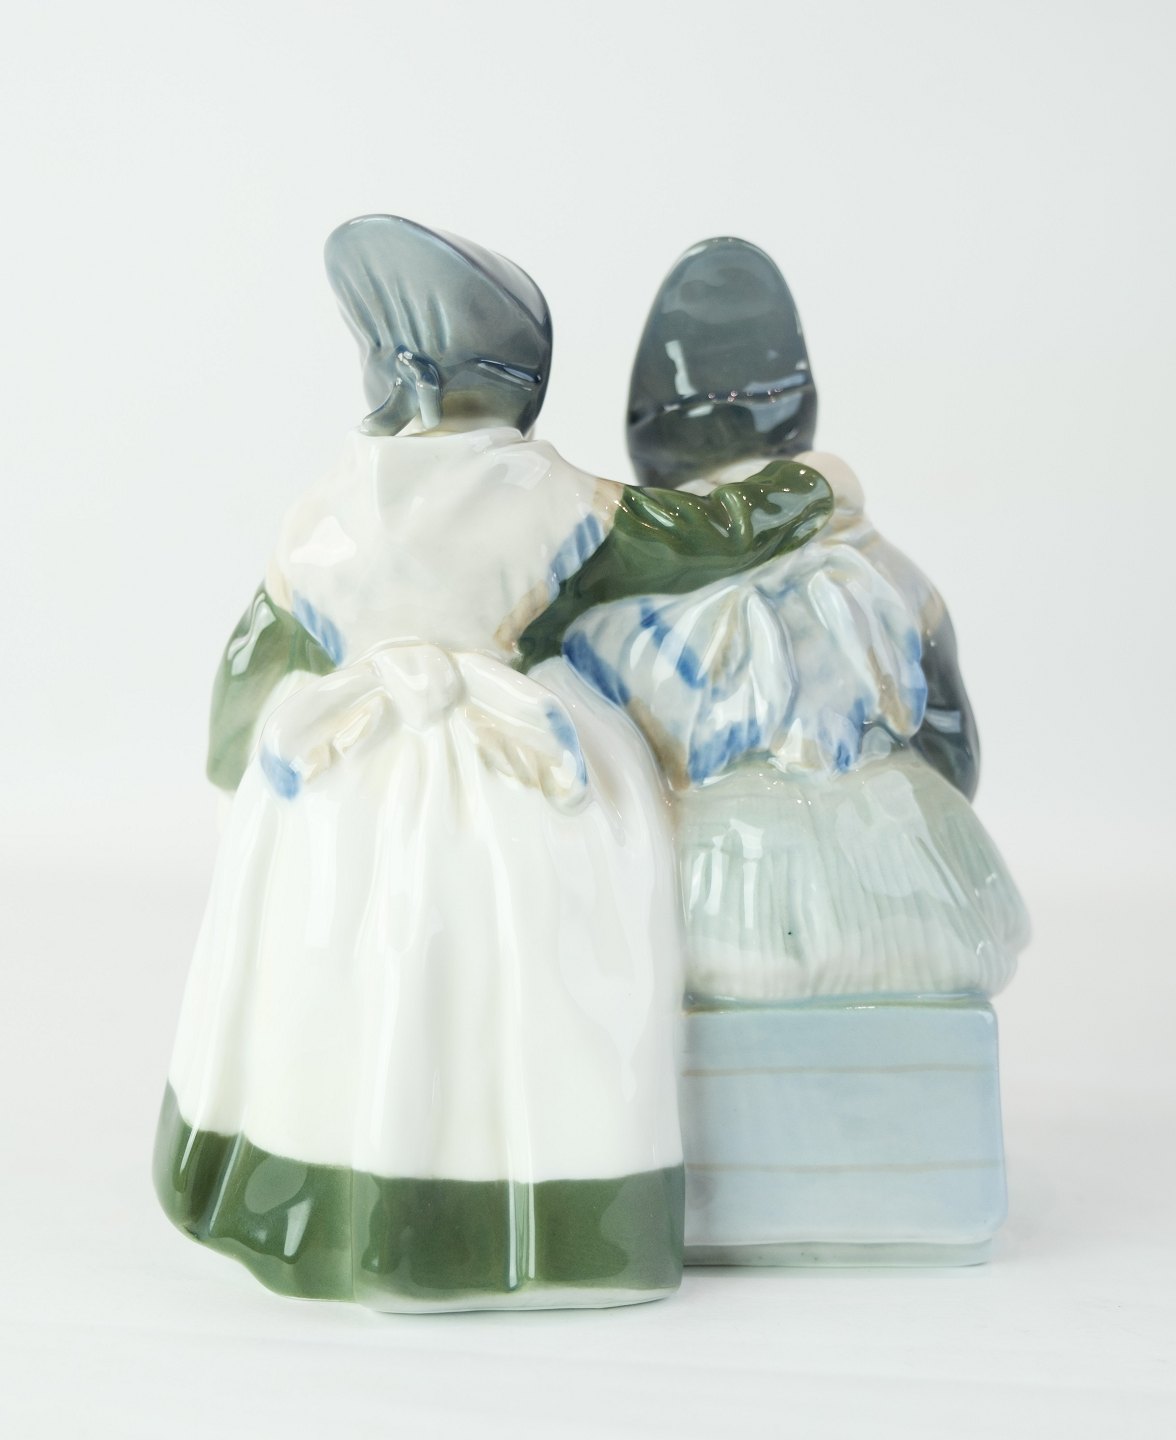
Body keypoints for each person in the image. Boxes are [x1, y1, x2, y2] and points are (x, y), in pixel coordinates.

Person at [155, 216, 833, 1311]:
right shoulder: (544, 494)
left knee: (337, 976)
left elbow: (253, 660)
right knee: (547, 977)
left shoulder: (323, 511)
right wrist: (806, 492)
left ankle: (314, 1195)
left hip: (349, 781)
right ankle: (556, 1226)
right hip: (525, 776)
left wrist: (242, 766)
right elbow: (697, 534)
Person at [547, 236, 1028, 1002]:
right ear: (799, 420)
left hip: (715, 895)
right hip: (903, 881)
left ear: (649, 443)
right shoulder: (886, 571)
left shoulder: (614, 608)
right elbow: (952, 745)